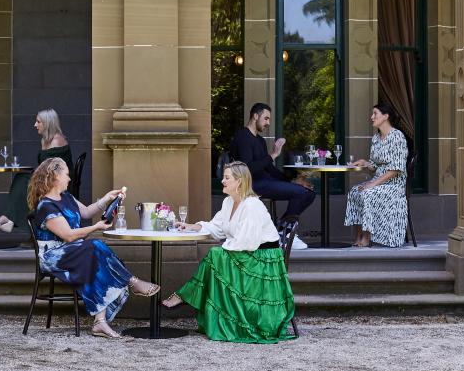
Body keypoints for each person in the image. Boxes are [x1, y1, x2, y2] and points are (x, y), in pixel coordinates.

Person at [162, 162, 296, 344]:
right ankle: (186, 296)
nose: (222, 181)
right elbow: (217, 227)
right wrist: (191, 226)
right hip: (246, 255)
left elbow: (246, 241)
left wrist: (222, 251)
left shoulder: (252, 206)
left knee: (215, 255)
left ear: (239, 182)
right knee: (215, 256)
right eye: (223, 177)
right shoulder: (228, 202)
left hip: (263, 261)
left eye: (227, 178)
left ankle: (185, 295)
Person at [28, 157, 159, 339]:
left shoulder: (67, 197)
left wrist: (107, 199)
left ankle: (100, 322)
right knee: (95, 247)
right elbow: (68, 235)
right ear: (56, 176)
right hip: (53, 255)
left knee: (94, 256)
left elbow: (87, 211)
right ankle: (131, 281)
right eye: (67, 174)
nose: (69, 178)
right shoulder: (46, 206)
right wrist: (96, 227)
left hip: (73, 249)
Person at [0, 109, 74, 233]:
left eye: (38, 122)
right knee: (22, 178)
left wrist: (36, 175)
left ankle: (8, 219)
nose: (35, 125)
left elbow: (55, 170)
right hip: (48, 179)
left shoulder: (56, 141)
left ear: (47, 123)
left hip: (59, 183)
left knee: (24, 182)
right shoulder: (46, 140)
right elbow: (45, 168)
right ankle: (9, 220)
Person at [231, 103, 315, 226]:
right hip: (251, 184)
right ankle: (286, 230)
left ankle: (282, 229)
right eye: (266, 118)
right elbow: (247, 169)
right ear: (255, 116)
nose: (268, 123)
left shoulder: (260, 140)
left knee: (309, 193)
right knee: (300, 192)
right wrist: (273, 155)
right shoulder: (243, 137)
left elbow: (269, 168)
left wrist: (291, 181)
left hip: (265, 181)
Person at [344, 102, 410, 248]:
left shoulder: (397, 137)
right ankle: (359, 235)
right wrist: (365, 163)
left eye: (375, 114)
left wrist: (373, 184)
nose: (372, 117)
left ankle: (368, 237)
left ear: (386, 116)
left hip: (394, 185)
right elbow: (375, 166)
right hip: (378, 181)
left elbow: (396, 169)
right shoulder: (376, 138)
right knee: (355, 192)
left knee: (367, 193)